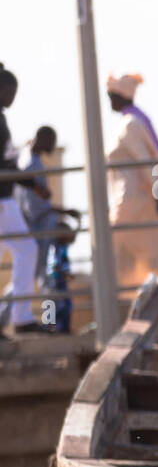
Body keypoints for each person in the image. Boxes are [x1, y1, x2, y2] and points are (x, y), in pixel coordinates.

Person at [106, 73, 158, 288]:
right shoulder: (129, 123)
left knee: (151, 260)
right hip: (130, 204)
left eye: (112, 95)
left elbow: (147, 162)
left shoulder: (131, 125)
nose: (109, 100)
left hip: (136, 205)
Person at [0, 126, 79, 329]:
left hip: (38, 229)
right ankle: (49, 323)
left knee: (31, 277)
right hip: (38, 231)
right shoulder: (30, 164)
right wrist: (62, 212)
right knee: (45, 281)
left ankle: (21, 318)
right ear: (42, 139)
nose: (53, 146)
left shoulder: (30, 160)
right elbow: (35, 208)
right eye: (52, 140)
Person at [0, 63, 49, 336]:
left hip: (10, 202)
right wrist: (35, 187)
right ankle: (22, 318)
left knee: (24, 256)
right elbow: (6, 165)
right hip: (6, 203)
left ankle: (25, 317)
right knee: (29, 253)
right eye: (8, 91)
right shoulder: (0, 121)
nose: (12, 98)